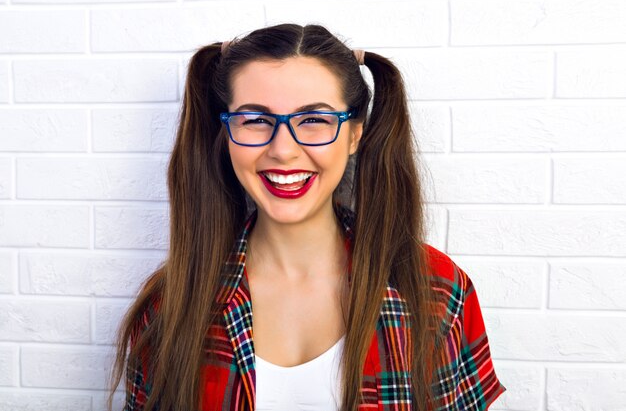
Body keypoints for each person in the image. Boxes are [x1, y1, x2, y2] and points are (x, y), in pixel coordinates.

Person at [109, 23, 506, 411]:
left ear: (354, 135)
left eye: (314, 120)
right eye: (255, 119)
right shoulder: (171, 302)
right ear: (226, 135)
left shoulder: (436, 289)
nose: (283, 150)